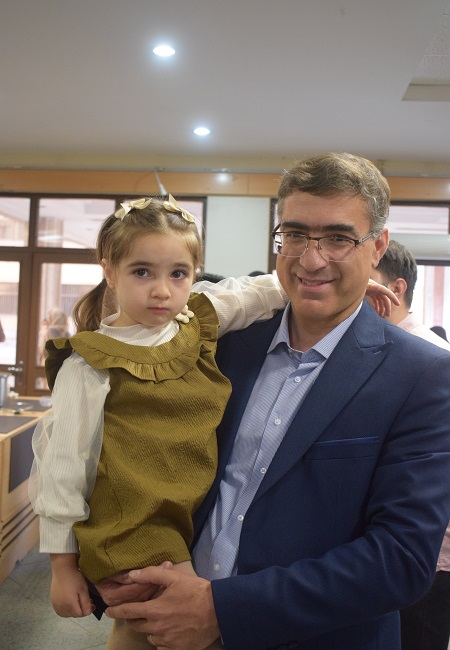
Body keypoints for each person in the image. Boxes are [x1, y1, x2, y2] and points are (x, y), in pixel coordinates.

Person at [98, 153, 450, 650]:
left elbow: (401, 559)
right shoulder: (224, 345)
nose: (311, 258)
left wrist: (221, 610)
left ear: (377, 247)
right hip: (166, 622)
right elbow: (143, 442)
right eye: (296, 234)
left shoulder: (421, 375)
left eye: (339, 238)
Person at [371, 239, 450, 650]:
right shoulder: (376, 348)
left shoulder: (431, 361)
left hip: (426, 557)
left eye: (365, 279)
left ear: (396, 289)